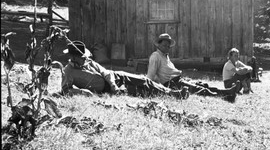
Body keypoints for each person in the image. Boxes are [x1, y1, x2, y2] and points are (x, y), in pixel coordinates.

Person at [56, 40, 188, 99]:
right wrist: (83, 92)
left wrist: (114, 85)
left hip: (116, 78)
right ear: (73, 57)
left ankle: (173, 93)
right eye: (82, 57)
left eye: (85, 56)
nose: (85, 59)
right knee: (141, 92)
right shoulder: (68, 71)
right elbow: (65, 90)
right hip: (107, 89)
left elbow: (105, 72)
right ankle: (170, 94)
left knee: (144, 81)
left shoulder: (88, 62)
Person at [147, 33, 238, 102]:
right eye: (164, 45)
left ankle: (227, 92)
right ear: (158, 45)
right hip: (172, 84)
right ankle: (226, 96)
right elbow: (150, 77)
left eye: (168, 46)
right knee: (198, 89)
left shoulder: (165, 56)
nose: (167, 48)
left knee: (202, 85)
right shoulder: (155, 56)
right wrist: (161, 88)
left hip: (178, 80)